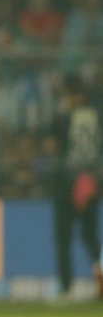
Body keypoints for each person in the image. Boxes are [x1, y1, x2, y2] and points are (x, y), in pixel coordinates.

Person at [45, 75, 103, 299]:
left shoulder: (63, 117)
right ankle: (101, 280)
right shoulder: (97, 116)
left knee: (63, 237)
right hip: (90, 182)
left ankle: (66, 287)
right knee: (90, 237)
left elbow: (51, 146)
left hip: (67, 182)